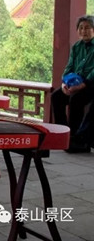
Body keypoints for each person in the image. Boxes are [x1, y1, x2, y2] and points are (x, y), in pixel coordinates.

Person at [51, 15, 94, 153]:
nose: (84, 31)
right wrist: (64, 83)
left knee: (76, 99)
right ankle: (62, 134)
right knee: (56, 96)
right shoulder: (76, 47)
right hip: (74, 82)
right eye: (81, 28)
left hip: (90, 84)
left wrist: (82, 85)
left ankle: (75, 140)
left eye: (87, 27)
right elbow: (69, 67)